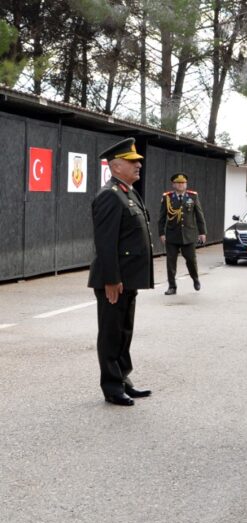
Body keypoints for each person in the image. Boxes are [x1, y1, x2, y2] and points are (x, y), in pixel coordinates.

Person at [88, 137, 155, 406]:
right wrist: (112, 279)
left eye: (138, 160)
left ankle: (123, 377)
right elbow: (105, 244)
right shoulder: (109, 195)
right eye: (132, 161)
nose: (139, 164)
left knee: (124, 331)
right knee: (111, 332)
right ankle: (112, 386)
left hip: (128, 278)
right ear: (116, 167)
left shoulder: (127, 191)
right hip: (113, 280)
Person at [157, 173, 207, 294]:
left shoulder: (193, 197)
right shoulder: (167, 197)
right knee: (171, 263)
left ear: (186, 184)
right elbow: (162, 217)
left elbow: (199, 216)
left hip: (188, 235)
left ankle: (195, 279)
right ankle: (172, 287)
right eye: (178, 183)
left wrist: (202, 232)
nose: (181, 185)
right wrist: (161, 233)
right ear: (173, 184)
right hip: (172, 235)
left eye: (183, 183)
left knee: (191, 260)